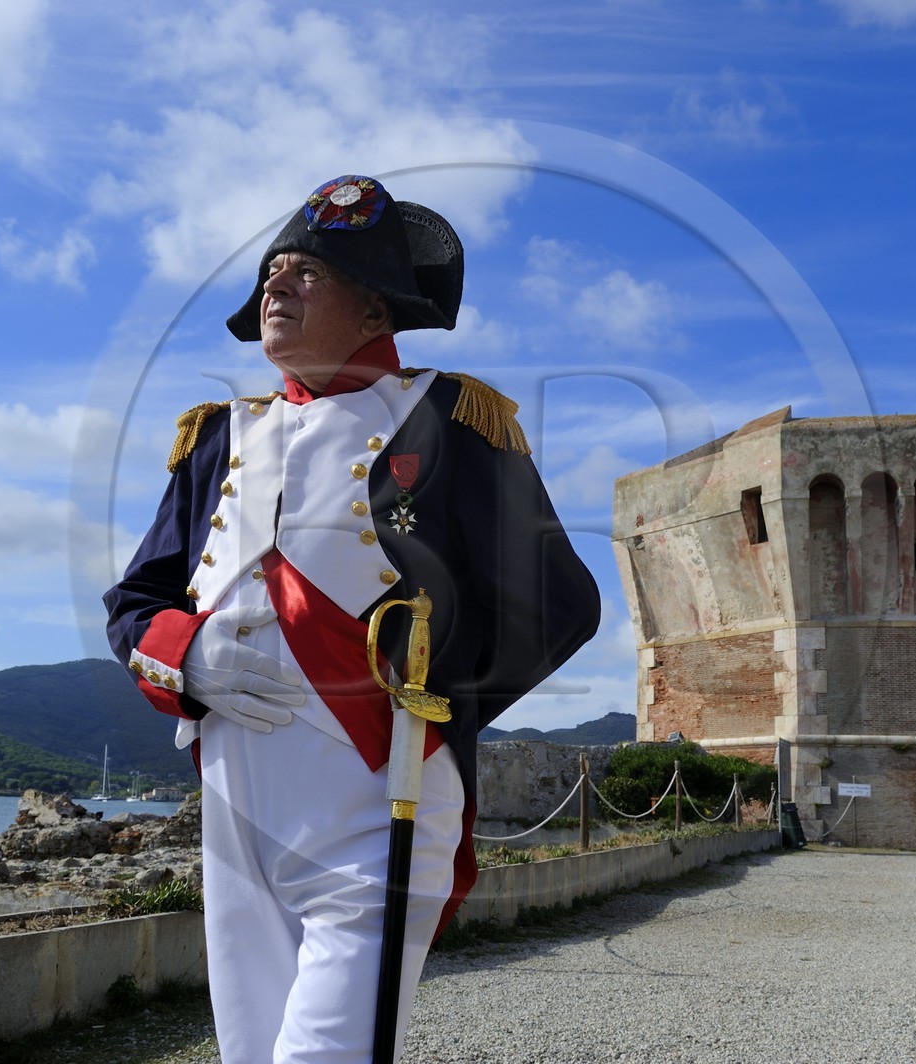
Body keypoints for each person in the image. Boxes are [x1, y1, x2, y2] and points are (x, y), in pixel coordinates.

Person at [103, 174, 600, 1063]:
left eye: (307, 273)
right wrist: (189, 656)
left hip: (382, 795)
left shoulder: (450, 418)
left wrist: (431, 700)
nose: (276, 286)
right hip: (235, 806)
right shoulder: (215, 437)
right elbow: (136, 605)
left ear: (375, 308)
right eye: (272, 272)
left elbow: (560, 605)